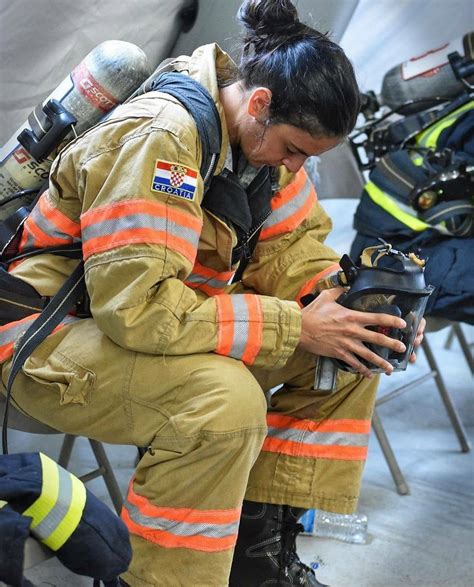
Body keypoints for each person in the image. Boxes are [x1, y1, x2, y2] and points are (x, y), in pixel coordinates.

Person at [0, 0, 424, 585]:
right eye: (296, 149)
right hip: (42, 335)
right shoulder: (163, 138)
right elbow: (141, 311)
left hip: (131, 328)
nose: (298, 168)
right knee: (223, 406)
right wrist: (295, 325)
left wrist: (364, 310)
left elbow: (296, 259)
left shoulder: (261, 151)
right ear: (259, 106)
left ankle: (259, 563)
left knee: (353, 351)